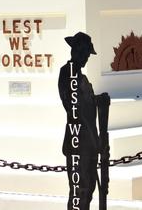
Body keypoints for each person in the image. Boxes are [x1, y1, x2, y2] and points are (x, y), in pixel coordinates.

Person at [58, 32, 108, 210]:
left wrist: (99, 100)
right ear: (77, 50)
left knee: (88, 191)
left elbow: (88, 103)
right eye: (85, 53)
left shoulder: (83, 78)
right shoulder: (68, 73)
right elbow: (74, 108)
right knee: (79, 192)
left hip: (90, 144)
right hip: (78, 142)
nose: (87, 57)